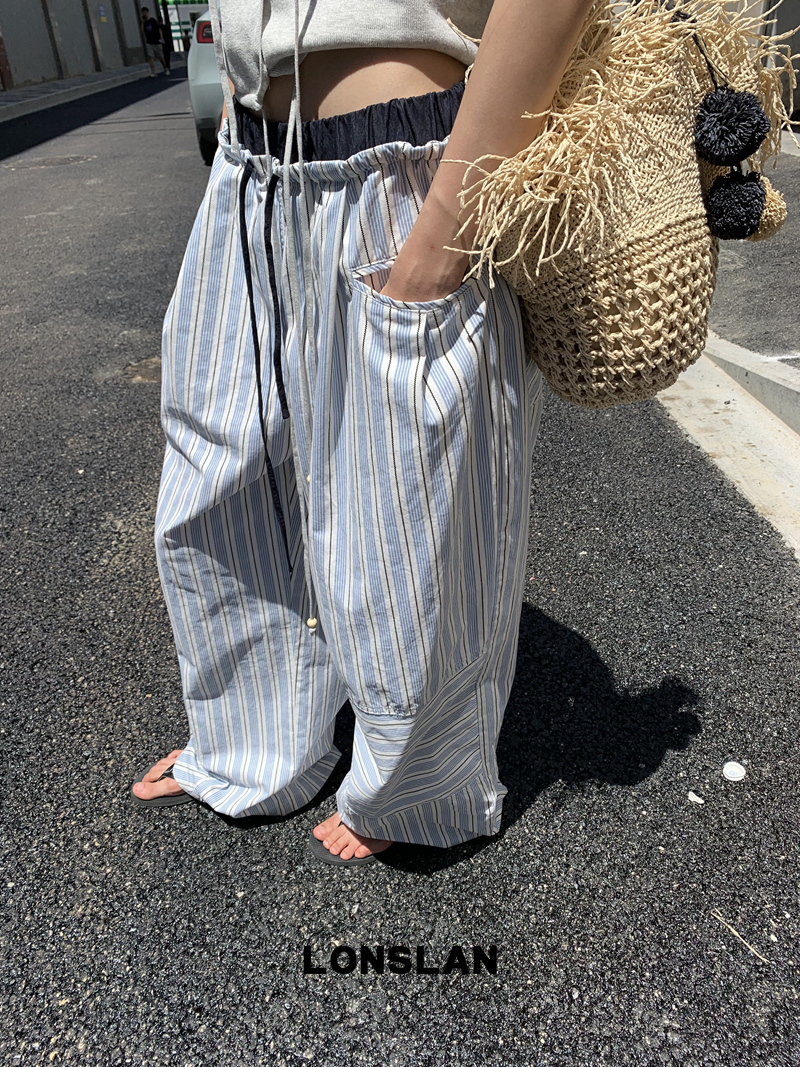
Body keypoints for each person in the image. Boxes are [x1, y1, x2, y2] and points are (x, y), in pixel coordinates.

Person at [132, 0, 595, 864]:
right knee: (218, 479)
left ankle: (418, 785)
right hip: (253, 167)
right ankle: (253, 741)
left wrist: (443, 239)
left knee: (411, 515)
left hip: (409, 168)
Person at [141, 6, 167, 77]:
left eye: (145, 12)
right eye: (143, 13)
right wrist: (142, 22)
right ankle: (153, 72)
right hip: (149, 42)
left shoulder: (153, 21)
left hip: (157, 42)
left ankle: (165, 67)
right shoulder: (144, 23)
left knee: (160, 56)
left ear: (148, 13)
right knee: (151, 57)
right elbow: (142, 31)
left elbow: (159, 29)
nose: (144, 14)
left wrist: (161, 37)